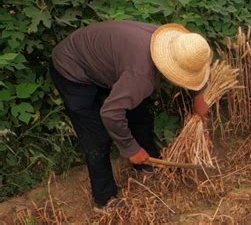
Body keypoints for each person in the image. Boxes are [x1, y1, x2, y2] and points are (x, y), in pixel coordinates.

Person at [50, 21, 212, 211]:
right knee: (96, 139)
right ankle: (105, 199)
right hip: (71, 68)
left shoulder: (170, 42)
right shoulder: (141, 75)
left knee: (140, 115)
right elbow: (110, 114)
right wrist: (130, 148)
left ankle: (147, 164)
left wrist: (198, 96)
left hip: (102, 62)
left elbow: (192, 67)